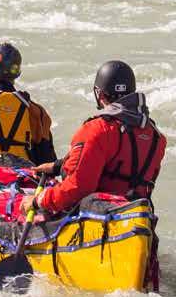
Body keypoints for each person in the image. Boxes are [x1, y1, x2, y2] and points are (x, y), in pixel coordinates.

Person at [23, 60, 166, 218]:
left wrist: (38, 201)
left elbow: (78, 188)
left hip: (98, 220)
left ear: (100, 94)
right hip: (137, 217)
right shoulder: (156, 136)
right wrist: (58, 166)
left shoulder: (97, 129)